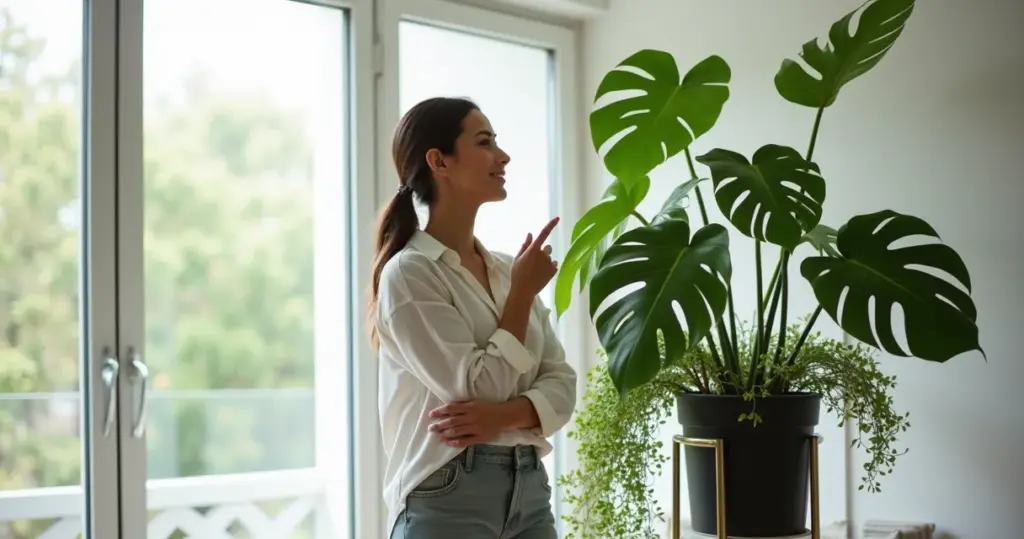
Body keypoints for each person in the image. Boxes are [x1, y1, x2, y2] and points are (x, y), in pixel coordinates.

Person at [368, 96, 578, 539]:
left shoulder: (506, 269)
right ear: (439, 162)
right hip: (447, 494)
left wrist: (501, 418)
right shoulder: (410, 274)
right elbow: (480, 387)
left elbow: (562, 386)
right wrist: (522, 294)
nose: (503, 156)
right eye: (484, 142)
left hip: (530, 489)